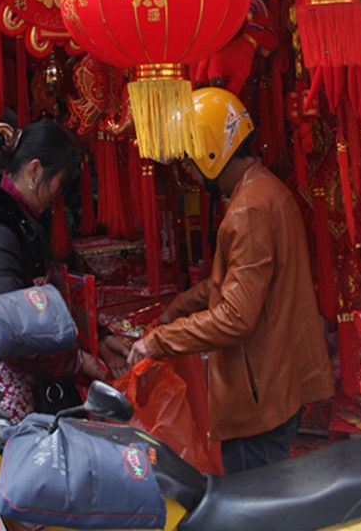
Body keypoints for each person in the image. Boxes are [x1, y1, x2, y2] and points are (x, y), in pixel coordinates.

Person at [127, 88, 334, 473]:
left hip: (260, 399)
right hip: (277, 383)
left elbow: (236, 318)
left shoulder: (248, 211)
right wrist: (177, 309)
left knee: (253, 501)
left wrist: (157, 341)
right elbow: (229, 282)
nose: (189, 172)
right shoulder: (265, 189)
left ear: (211, 153)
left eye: (190, 160)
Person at [0, 118, 129, 418]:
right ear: (34, 170)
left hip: (25, 369)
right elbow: (10, 330)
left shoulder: (24, 219)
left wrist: (98, 337)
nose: (58, 195)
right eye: (59, 182)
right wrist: (75, 361)